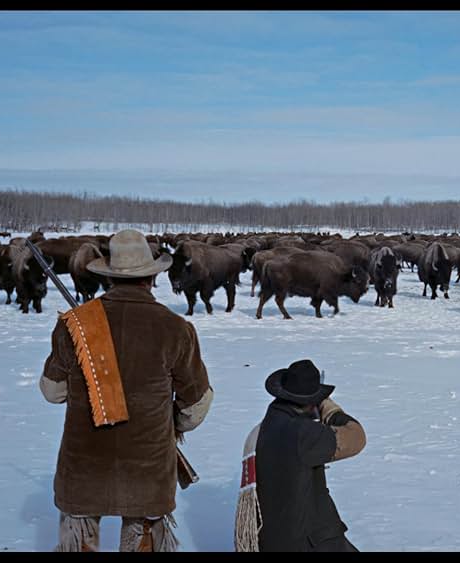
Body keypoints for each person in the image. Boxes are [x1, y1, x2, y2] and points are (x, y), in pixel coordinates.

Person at [38, 229, 213, 551]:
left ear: (109, 277)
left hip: (84, 464)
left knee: (79, 539)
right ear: (152, 277)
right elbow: (196, 404)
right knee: (143, 536)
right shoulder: (175, 328)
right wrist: (170, 424)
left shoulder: (74, 324)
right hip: (148, 468)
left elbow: (52, 391)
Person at [252, 359, 366, 552]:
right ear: (310, 402)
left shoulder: (270, 422)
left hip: (273, 540)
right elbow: (356, 437)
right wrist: (330, 410)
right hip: (306, 542)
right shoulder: (303, 434)